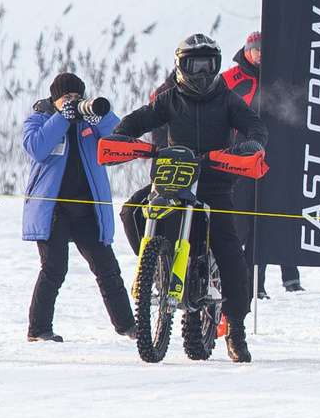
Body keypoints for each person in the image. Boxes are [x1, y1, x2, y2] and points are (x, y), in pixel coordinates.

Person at [112, 34, 268, 362]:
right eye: (194, 65)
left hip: (214, 182)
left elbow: (254, 124)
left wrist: (253, 143)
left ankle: (236, 331)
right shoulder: (168, 99)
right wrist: (121, 134)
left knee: (230, 252)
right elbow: (140, 118)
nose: (201, 72)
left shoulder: (227, 98)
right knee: (130, 211)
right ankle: (157, 265)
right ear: (180, 65)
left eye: (208, 65)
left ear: (217, 65)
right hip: (172, 179)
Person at [21, 72, 134, 342]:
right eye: (66, 97)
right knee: (54, 269)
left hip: (87, 211)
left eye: (77, 97)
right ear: (54, 99)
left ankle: (129, 327)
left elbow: (121, 141)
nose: (73, 102)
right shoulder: (39, 119)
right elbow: (37, 148)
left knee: (108, 270)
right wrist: (63, 117)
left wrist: (100, 117)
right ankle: (38, 330)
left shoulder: (88, 124)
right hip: (53, 211)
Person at [222, 32, 301, 295]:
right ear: (247, 50)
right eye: (256, 50)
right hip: (238, 157)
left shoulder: (277, 80)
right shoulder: (230, 78)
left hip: (271, 158)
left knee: (267, 220)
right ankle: (236, 281)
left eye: (264, 51)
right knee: (239, 222)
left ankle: (262, 284)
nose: (260, 55)